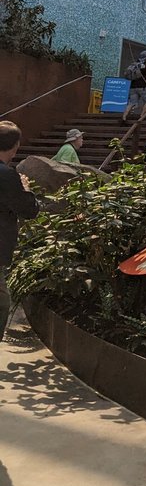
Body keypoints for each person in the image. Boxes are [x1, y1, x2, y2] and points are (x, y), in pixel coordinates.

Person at [0, 121, 39, 341]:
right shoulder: (7, 175)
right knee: (2, 305)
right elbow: (29, 211)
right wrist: (26, 190)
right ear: (15, 146)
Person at [121, 50, 146, 123]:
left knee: (132, 102)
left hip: (133, 87)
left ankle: (124, 116)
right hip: (143, 87)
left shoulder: (134, 64)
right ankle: (141, 116)